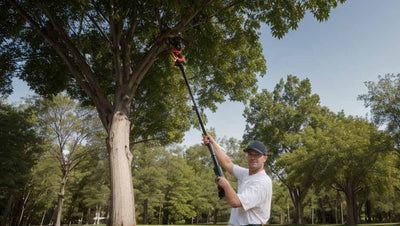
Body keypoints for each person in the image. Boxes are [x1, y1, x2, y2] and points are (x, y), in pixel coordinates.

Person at [203, 135, 272, 226]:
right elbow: (227, 163)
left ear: (264, 158)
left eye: (257, 155)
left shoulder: (262, 182)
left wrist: (226, 185)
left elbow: (236, 202)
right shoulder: (245, 173)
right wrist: (212, 143)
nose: (253, 157)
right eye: (250, 154)